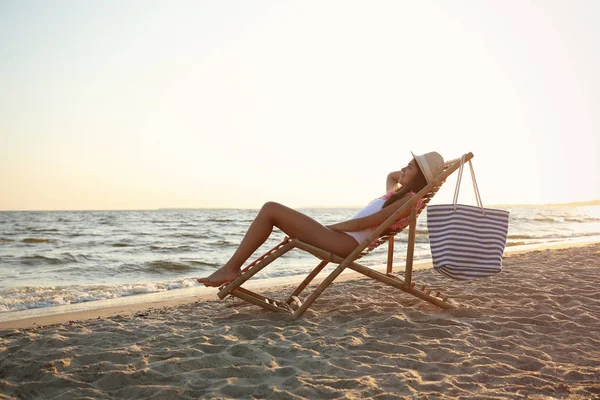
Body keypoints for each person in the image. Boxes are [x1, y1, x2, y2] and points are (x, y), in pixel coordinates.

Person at [197, 151, 445, 287]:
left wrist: (330, 228)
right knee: (271, 210)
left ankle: (231, 268)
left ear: (420, 178)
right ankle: (232, 268)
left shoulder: (409, 201)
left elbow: (366, 224)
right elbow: (391, 175)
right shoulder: (396, 195)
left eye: (411, 166)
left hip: (344, 242)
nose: (403, 168)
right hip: (342, 238)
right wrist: (408, 173)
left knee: (270, 208)